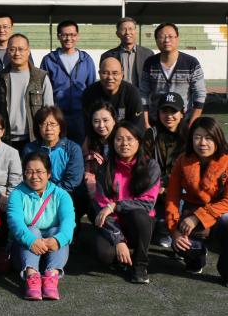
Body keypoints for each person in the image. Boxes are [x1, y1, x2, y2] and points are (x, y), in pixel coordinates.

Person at [166, 117, 228, 289]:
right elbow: (172, 197)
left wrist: (197, 217)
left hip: (219, 218)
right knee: (181, 244)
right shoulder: (182, 160)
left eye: (208, 138)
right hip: (191, 221)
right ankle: (197, 257)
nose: (202, 143)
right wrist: (174, 231)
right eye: (197, 137)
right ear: (191, 139)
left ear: (218, 139)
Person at [85, 121, 161, 284]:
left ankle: (140, 264)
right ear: (112, 143)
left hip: (139, 225)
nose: (124, 143)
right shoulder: (105, 168)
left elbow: (147, 203)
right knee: (104, 254)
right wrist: (118, 239)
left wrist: (115, 205)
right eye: (119, 139)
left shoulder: (151, 166)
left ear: (139, 141)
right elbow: (102, 205)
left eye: (130, 139)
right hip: (114, 224)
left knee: (139, 215)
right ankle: (124, 255)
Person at [7, 151, 75, 300]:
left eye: (39, 171)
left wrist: (57, 240)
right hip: (24, 252)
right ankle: (32, 277)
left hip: (53, 251)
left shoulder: (61, 195)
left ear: (49, 174)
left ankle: (52, 277)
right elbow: (15, 223)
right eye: (29, 172)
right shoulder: (17, 194)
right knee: (31, 230)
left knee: (58, 231)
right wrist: (32, 241)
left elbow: (68, 224)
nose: (34, 176)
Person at [0, 33, 54, 147]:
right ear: (7, 52)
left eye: (21, 49)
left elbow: (48, 112)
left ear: (28, 51)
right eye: (12, 49)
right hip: (5, 139)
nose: (17, 53)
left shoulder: (41, 78)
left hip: (34, 139)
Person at [39, 21, 96, 144]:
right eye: (64, 35)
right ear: (58, 36)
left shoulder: (86, 60)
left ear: (77, 36)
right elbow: (43, 88)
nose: (69, 38)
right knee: (57, 148)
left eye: (72, 35)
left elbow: (92, 88)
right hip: (57, 116)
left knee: (79, 148)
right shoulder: (49, 60)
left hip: (81, 116)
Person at [140, 23, 206, 128]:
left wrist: (191, 124)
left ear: (177, 38)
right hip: (156, 122)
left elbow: (200, 94)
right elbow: (143, 93)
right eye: (162, 37)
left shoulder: (191, 63)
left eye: (170, 36)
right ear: (156, 40)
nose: (167, 40)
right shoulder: (150, 63)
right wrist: (146, 123)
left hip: (183, 122)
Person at [146, 92, 189, 248]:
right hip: (155, 189)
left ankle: (173, 230)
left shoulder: (190, 136)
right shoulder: (151, 134)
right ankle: (163, 228)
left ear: (182, 113)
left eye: (174, 111)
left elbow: (190, 170)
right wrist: (156, 185)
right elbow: (143, 165)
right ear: (158, 113)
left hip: (178, 189)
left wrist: (170, 186)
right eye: (164, 111)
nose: (169, 116)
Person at [22, 106, 85, 197]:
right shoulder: (30, 149)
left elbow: (73, 180)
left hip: (65, 196)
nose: (48, 128)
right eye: (44, 124)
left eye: (53, 124)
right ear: (38, 127)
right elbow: (26, 176)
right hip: (36, 196)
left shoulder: (72, 149)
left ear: (60, 127)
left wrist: (50, 194)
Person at [81, 56, 144, 131]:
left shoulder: (132, 93)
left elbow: (137, 127)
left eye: (115, 73)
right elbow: (88, 126)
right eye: (105, 73)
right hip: (99, 134)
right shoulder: (89, 93)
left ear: (122, 75)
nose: (110, 77)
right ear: (99, 74)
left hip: (124, 136)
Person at [80, 101, 118, 213]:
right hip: (96, 191)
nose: (101, 125)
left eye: (105, 120)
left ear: (114, 120)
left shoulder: (122, 139)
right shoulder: (89, 141)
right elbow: (87, 170)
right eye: (96, 121)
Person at [101, 17, 154, 96]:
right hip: (117, 98)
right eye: (123, 29)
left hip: (141, 98)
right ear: (117, 33)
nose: (127, 32)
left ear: (135, 31)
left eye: (130, 29)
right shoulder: (107, 56)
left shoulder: (148, 54)